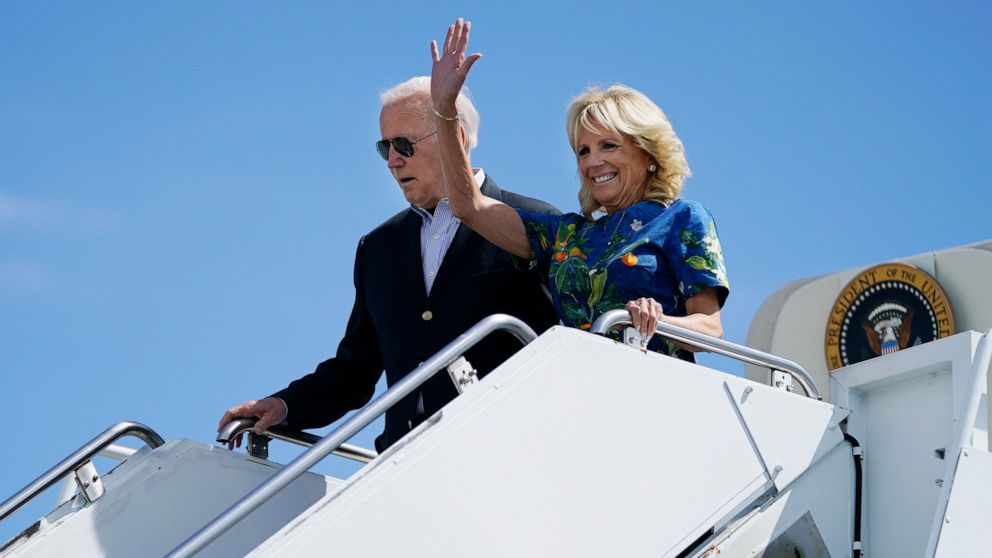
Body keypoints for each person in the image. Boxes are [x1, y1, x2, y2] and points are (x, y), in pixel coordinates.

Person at [218, 76, 558, 452]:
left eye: (404, 145)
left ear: (455, 138)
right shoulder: (377, 248)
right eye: (385, 147)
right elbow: (355, 371)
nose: (393, 161)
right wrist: (284, 405)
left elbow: (565, 345)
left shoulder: (535, 222)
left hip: (509, 455)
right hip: (404, 467)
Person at [429, 19, 728, 360]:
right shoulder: (564, 235)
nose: (592, 162)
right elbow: (469, 205)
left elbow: (710, 328)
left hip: (656, 395)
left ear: (648, 153)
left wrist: (657, 321)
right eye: (583, 151)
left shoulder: (683, 218)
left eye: (608, 146)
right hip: (578, 393)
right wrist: (444, 110)